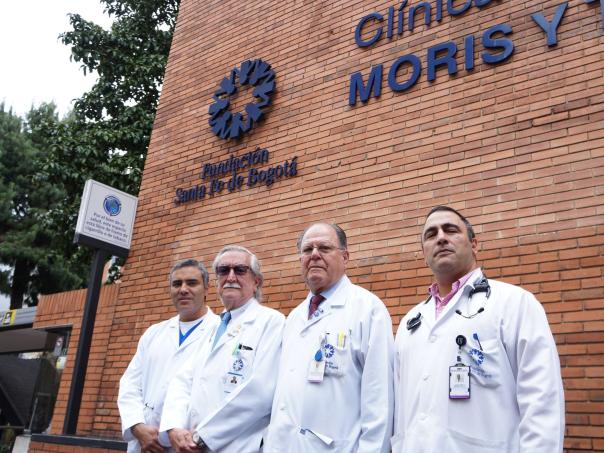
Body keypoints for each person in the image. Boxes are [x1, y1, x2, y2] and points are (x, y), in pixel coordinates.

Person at [392, 206, 565, 452]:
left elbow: (542, 401)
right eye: (431, 234)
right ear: (424, 255)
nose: (441, 237)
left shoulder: (515, 304)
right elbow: (401, 410)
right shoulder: (411, 322)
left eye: (451, 230)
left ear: (474, 245)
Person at [265, 223, 394, 453]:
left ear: (345, 257)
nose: (314, 255)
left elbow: (379, 400)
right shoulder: (294, 317)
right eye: (307, 250)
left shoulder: (368, 309)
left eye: (324, 248)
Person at [160, 245, 285, 453]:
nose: (231, 277)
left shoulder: (271, 322)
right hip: (190, 444)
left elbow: (261, 391)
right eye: (223, 270)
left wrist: (203, 437)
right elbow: (183, 380)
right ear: (217, 281)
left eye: (240, 270)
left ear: (256, 282)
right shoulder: (213, 327)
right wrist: (174, 427)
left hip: (235, 447)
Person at [118, 259, 220, 453]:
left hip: (189, 445)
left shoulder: (221, 333)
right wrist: (137, 426)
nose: (183, 289)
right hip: (144, 444)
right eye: (177, 284)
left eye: (192, 283)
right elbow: (130, 384)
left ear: (207, 288)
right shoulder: (154, 333)